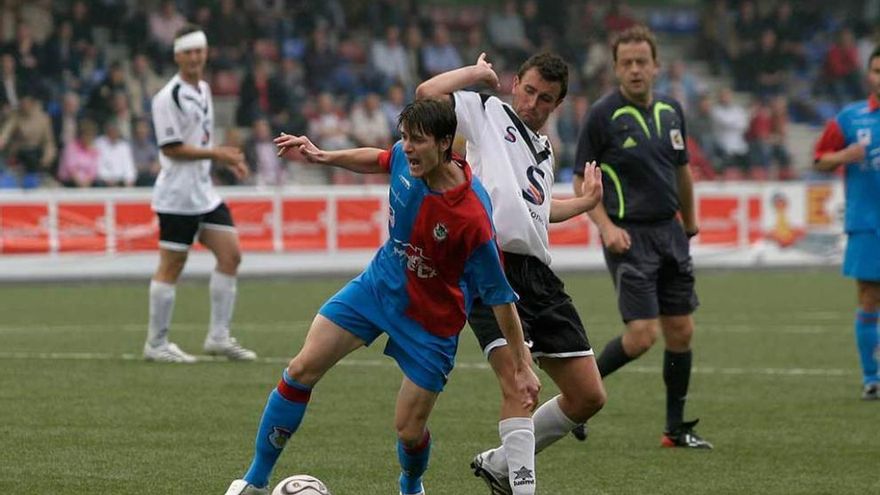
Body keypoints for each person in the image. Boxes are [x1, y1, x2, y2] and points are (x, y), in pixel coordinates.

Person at [224, 98, 540, 495]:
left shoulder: (473, 217)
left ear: (445, 144)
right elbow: (378, 159)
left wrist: (522, 365)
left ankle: (411, 485)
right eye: (404, 137)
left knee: (409, 432)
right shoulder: (407, 160)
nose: (406, 147)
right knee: (301, 369)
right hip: (377, 287)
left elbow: (499, 297)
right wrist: (322, 156)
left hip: (432, 323)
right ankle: (254, 480)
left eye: (417, 140)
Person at [416, 52, 606, 495]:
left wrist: (583, 204)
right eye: (529, 90)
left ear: (556, 106)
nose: (533, 103)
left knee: (588, 396)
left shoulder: (544, 148)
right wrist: (477, 76)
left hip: (540, 276)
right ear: (515, 83)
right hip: (490, 266)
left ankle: (502, 463)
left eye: (545, 99)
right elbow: (427, 94)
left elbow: (535, 209)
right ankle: (522, 488)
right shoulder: (487, 112)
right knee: (520, 385)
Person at [571, 25, 712, 449]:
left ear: (656, 67)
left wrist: (689, 221)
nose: (635, 70)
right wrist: (606, 227)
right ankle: (578, 394)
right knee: (642, 336)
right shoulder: (601, 115)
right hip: (628, 235)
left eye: (641, 62)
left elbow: (682, 170)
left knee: (682, 331)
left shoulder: (672, 110)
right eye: (626, 63)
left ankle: (675, 429)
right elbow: (581, 179)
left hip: (669, 232)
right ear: (615, 69)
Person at [143, 25, 256, 363]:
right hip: (177, 195)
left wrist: (224, 161)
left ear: (205, 54)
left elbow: (201, 140)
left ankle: (218, 337)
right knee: (172, 265)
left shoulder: (204, 89)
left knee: (230, 255)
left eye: (199, 51)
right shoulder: (167, 97)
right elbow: (173, 148)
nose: (194, 57)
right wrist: (217, 155)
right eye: (188, 52)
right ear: (177, 55)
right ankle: (156, 343)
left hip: (203, 192)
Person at [813, 45, 880, 400]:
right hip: (868, 223)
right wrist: (843, 155)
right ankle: (872, 378)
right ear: (869, 75)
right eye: (877, 70)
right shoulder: (850, 118)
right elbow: (818, 159)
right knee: (869, 297)